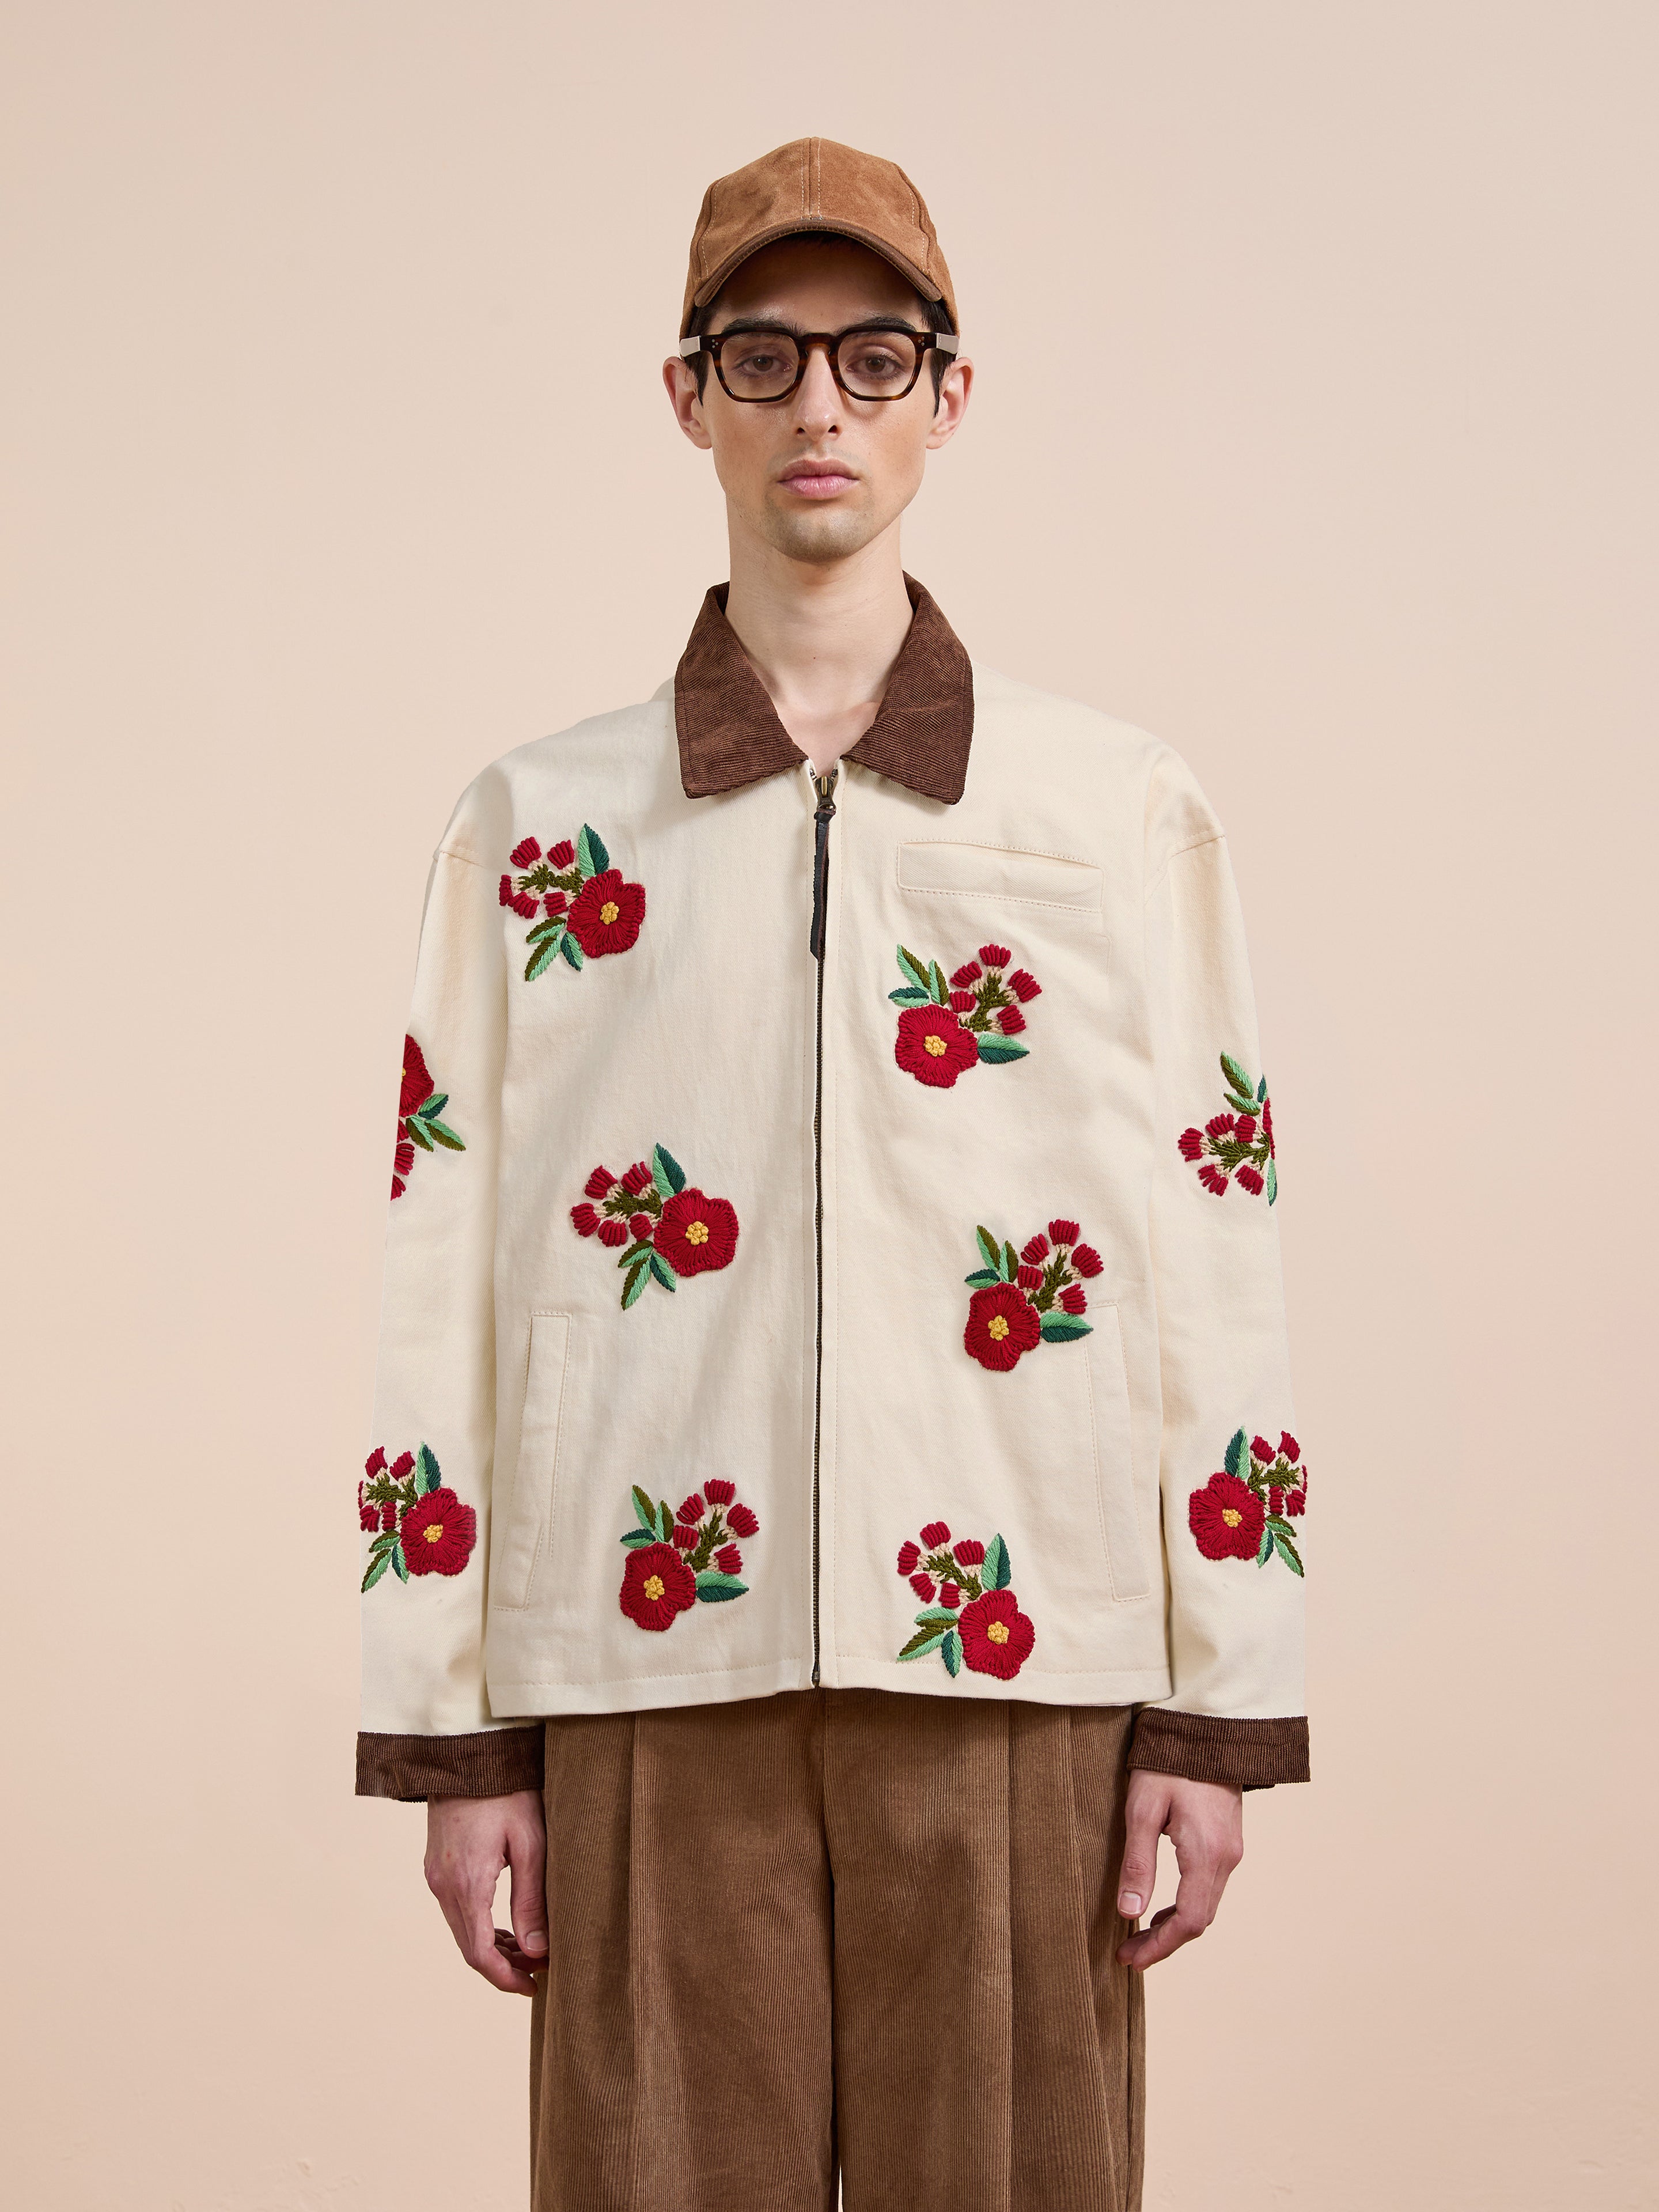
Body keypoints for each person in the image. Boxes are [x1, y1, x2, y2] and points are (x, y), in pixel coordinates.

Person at [356, 137, 1309, 2212]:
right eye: (766, 358)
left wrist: (1217, 1711)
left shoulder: (1116, 811)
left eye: (875, 359)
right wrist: (453, 1738)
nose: (819, 410)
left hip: (1019, 1674)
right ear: (685, 395)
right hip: (639, 1679)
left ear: (949, 399)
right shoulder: (538, 829)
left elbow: (1211, 1243)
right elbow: (440, 1273)